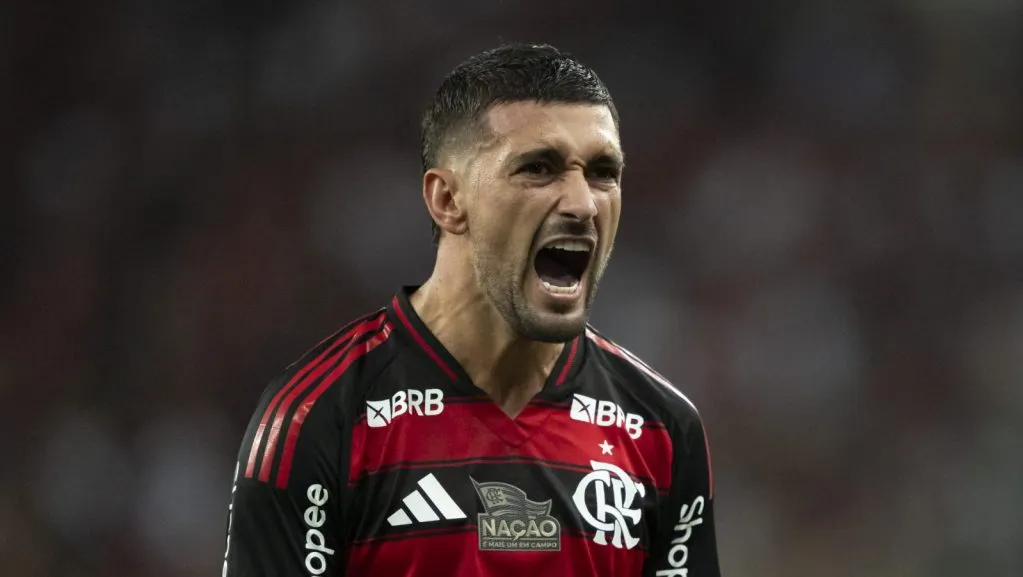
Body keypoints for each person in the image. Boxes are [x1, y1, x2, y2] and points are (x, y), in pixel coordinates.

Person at [221, 43, 720, 577]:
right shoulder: (320, 419)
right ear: (447, 200)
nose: (582, 203)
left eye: (602, 172)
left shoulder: (660, 430)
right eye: (539, 168)